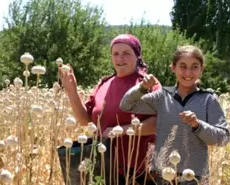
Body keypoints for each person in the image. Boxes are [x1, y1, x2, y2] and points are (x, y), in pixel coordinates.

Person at [120, 45, 230, 185]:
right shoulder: (162, 96)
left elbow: (223, 138)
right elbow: (126, 105)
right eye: (182, 66)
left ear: (201, 69)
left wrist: (198, 125)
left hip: (195, 176)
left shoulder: (208, 99)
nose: (188, 72)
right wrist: (141, 88)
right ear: (173, 67)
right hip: (163, 174)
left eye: (194, 66)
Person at [59, 34, 161, 185]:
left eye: (126, 53)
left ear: (137, 56)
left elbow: (159, 123)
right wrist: (71, 90)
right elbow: (86, 121)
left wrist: (122, 130)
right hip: (103, 166)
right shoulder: (103, 84)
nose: (120, 59)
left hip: (139, 170)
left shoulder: (148, 84)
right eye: (116, 54)